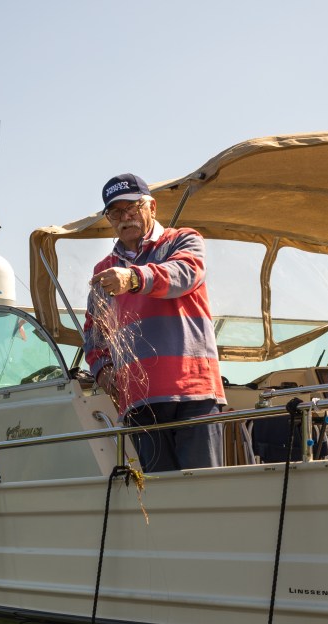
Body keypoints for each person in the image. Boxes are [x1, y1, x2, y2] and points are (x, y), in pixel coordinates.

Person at [83, 173, 226, 472]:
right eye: (115, 213)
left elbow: (184, 274)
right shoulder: (104, 270)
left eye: (132, 208)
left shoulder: (183, 240)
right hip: (138, 402)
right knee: (160, 494)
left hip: (193, 392)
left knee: (204, 490)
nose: (125, 218)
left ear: (152, 207)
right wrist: (103, 370)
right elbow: (95, 334)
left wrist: (134, 278)